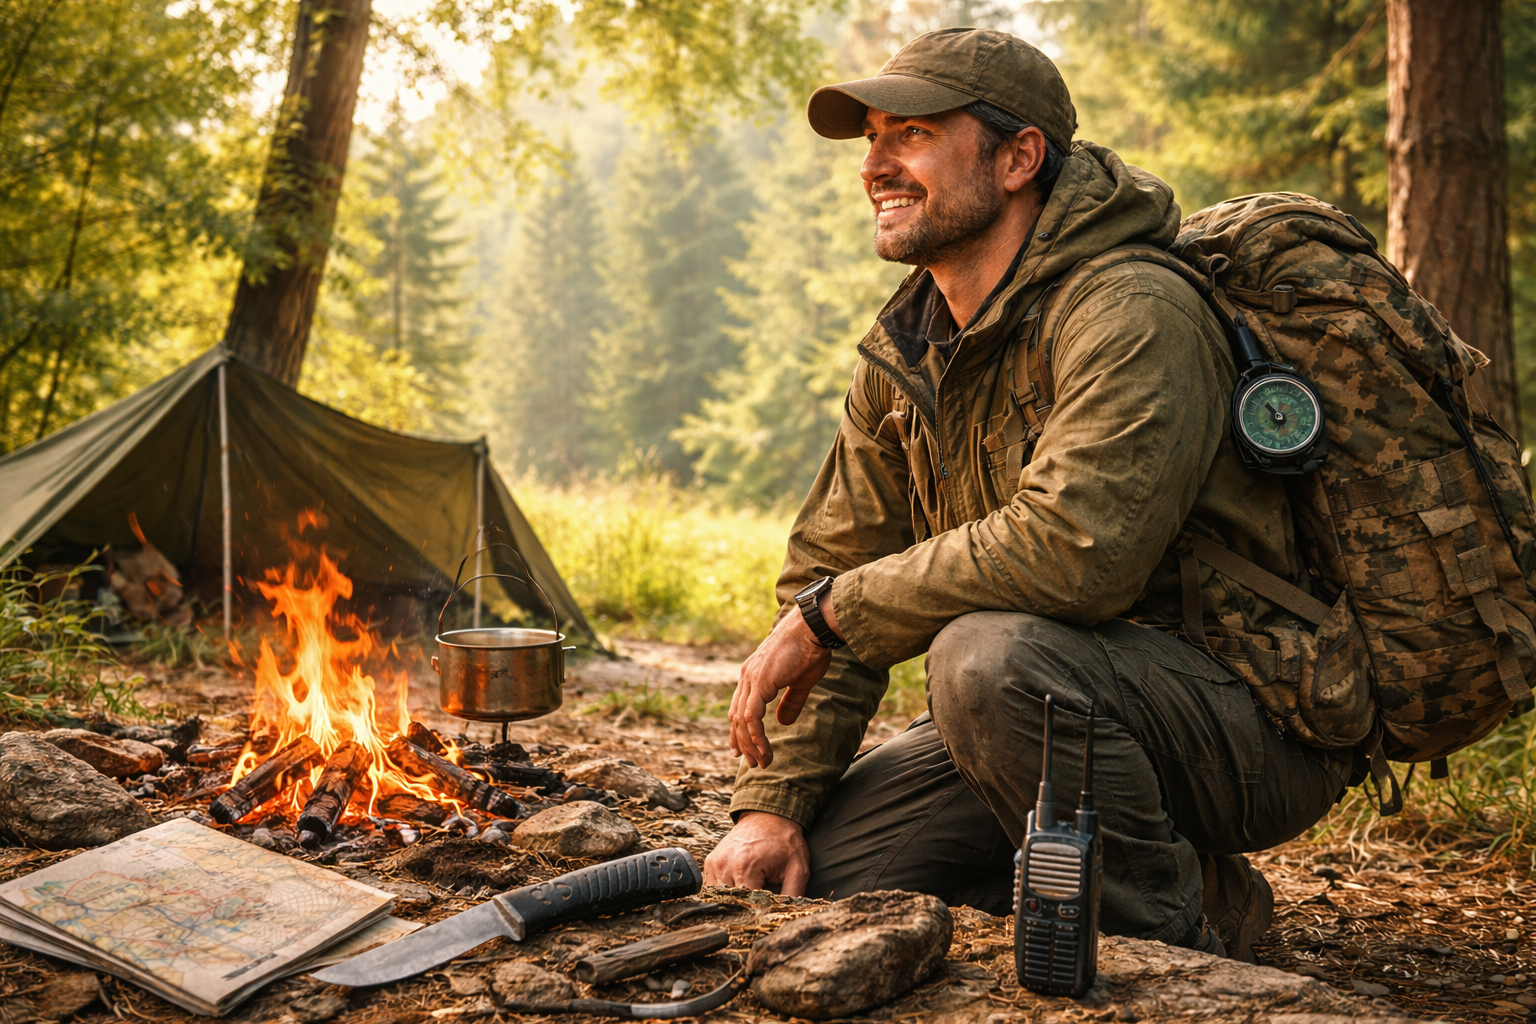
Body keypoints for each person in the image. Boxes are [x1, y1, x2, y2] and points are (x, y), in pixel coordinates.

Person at [701, 27, 1359, 963]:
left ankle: (1177, 933)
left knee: (981, 657)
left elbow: (1077, 552)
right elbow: (834, 574)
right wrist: (772, 808)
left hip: (1248, 718)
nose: (877, 164)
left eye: (914, 135)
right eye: (873, 137)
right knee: (830, 871)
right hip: (1051, 702)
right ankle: (1097, 865)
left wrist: (836, 612)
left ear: (1019, 158)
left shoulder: (1132, 310)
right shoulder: (906, 353)